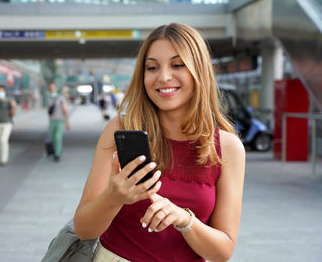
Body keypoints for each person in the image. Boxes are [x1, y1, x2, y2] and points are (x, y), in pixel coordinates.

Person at [73, 23, 246, 262]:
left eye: (177, 65)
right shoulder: (120, 130)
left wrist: (184, 220)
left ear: (200, 71)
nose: (163, 77)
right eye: (152, 67)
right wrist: (114, 197)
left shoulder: (227, 148)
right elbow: (84, 229)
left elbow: (222, 251)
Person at [0, 85, 16, 167]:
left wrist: (13, 107)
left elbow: (12, 115)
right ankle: (3, 158)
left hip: (7, 123)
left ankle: (4, 159)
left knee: (3, 140)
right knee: (0, 142)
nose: (0, 93)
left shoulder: (9, 101)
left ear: (5, 92)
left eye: (1, 91)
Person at [48, 83, 70, 162]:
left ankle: (57, 154)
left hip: (60, 121)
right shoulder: (49, 98)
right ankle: (55, 151)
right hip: (52, 121)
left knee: (58, 137)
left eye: (53, 88)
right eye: (50, 88)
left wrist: (67, 122)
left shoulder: (60, 98)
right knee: (53, 138)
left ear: (55, 88)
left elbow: (65, 110)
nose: (52, 89)